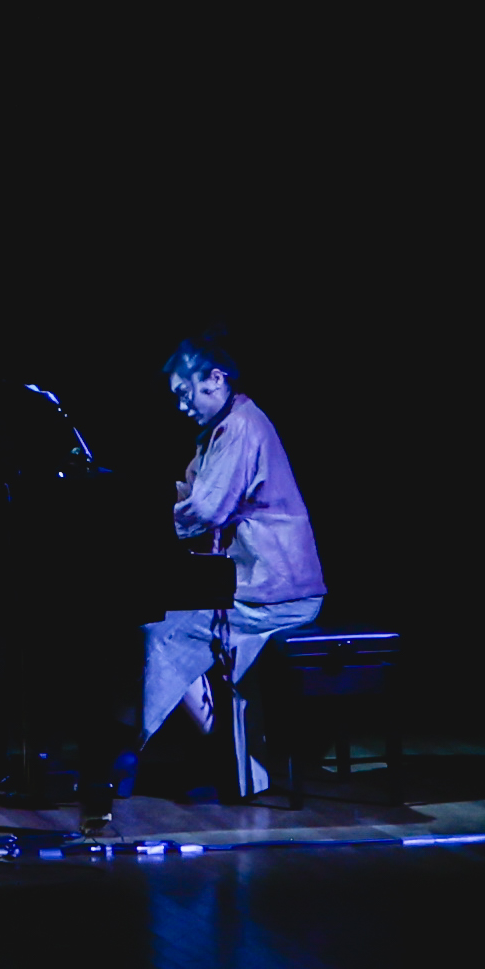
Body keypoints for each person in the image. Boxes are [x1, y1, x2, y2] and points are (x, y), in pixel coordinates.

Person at [115, 333, 325, 801]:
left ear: (215, 378)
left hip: (275, 589)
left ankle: (202, 757)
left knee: (161, 633)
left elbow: (207, 511)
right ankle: (222, 758)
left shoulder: (241, 427)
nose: (181, 405)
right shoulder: (222, 429)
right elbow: (195, 494)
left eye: (185, 392)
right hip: (253, 583)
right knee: (163, 628)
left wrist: (142, 525)